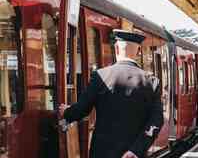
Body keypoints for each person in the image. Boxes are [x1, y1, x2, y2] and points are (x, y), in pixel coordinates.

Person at [59, 30, 164, 158]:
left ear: (116, 49)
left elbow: (82, 109)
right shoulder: (152, 82)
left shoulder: (100, 76)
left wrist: (67, 112)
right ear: (138, 52)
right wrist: (136, 150)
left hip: (102, 153)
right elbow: (156, 121)